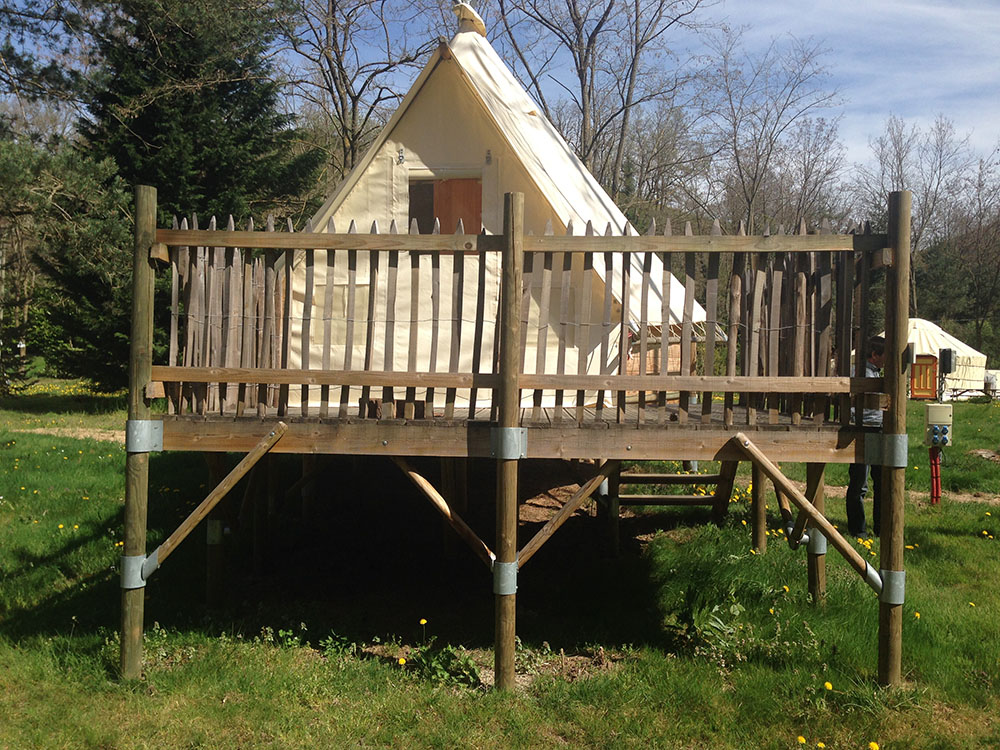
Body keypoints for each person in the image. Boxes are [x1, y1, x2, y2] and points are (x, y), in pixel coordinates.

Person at [847, 336, 886, 537]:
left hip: (873, 428)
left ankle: (869, 528)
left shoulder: (871, 373)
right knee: (860, 483)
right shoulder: (864, 375)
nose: (886, 360)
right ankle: (859, 529)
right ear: (874, 355)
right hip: (865, 429)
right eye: (884, 356)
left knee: (875, 481)